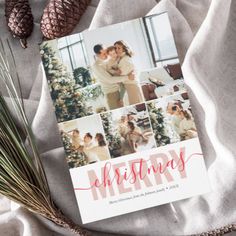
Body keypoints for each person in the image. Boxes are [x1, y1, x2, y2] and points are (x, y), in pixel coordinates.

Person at [92, 44, 134, 110]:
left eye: (106, 52)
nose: (107, 55)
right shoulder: (97, 66)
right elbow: (110, 80)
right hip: (112, 94)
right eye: (104, 54)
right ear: (97, 55)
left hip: (118, 91)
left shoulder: (105, 61)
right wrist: (127, 77)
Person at [114, 40, 143, 105]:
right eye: (115, 48)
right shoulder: (121, 58)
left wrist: (116, 75)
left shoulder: (125, 59)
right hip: (129, 85)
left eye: (119, 48)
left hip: (132, 85)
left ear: (124, 49)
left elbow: (122, 74)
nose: (116, 50)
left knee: (137, 105)